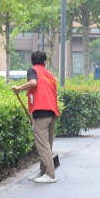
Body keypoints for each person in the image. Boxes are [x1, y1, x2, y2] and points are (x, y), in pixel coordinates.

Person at [12, 51, 60, 183]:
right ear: (44, 62)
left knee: (42, 145)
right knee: (47, 144)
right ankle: (43, 172)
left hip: (42, 112)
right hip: (52, 112)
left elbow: (33, 83)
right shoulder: (49, 75)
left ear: (32, 62)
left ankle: (50, 175)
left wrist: (19, 88)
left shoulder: (33, 71)